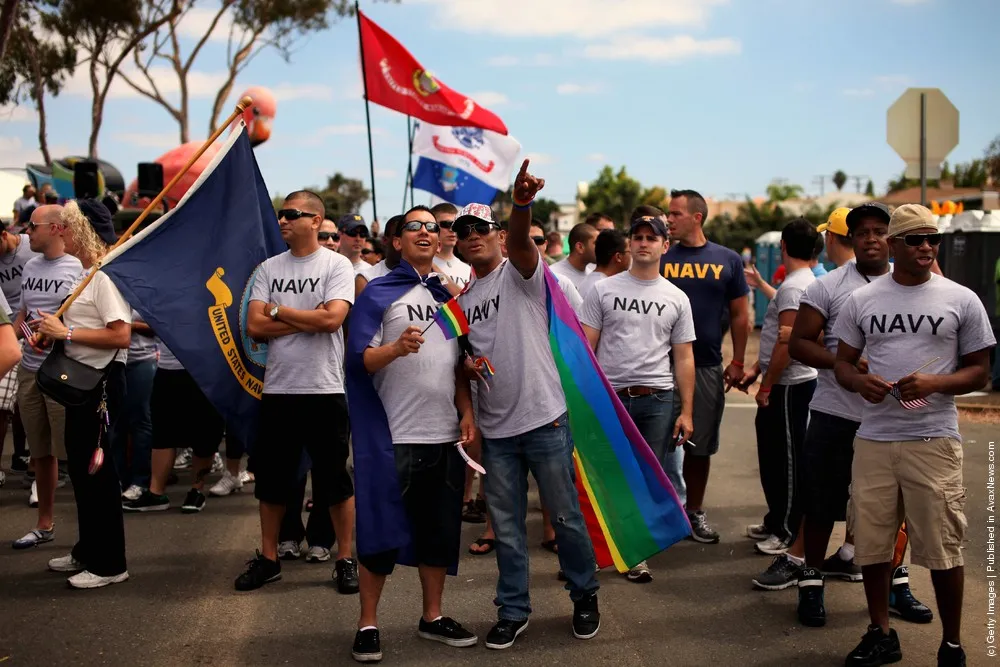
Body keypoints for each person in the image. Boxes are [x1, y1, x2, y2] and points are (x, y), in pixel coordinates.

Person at [834, 204, 994, 667]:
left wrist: (935, 384)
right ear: (893, 245)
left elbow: (981, 370)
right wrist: (857, 381)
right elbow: (843, 362)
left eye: (933, 239)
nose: (927, 247)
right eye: (916, 239)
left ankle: (952, 643)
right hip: (875, 438)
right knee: (873, 546)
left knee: (944, 546)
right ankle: (880, 632)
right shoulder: (863, 301)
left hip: (933, 439)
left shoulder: (960, 298)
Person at [456, 162, 600, 650]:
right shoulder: (462, 298)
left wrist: (520, 205)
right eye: (463, 231)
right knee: (510, 530)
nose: (472, 236)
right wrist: (470, 368)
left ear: (497, 235)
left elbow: (521, 241)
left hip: (544, 420)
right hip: (497, 431)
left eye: (481, 228)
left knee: (564, 519)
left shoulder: (521, 273)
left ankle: (584, 596)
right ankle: (513, 610)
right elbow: (462, 358)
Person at [785, 203, 931, 624]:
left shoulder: (920, 284)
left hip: (894, 420)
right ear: (849, 239)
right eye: (860, 232)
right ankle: (811, 583)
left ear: (892, 238)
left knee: (894, 509)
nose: (869, 238)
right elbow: (799, 345)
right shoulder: (827, 287)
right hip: (836, 413)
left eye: (878, 230)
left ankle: (897, 585)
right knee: (820, 504)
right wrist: (842, 364)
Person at [346, 205, 479, 662]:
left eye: (432, 227)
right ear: (397, 241)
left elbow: (456, 363)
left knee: (439, 533)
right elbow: (358, 360)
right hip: (394, 435)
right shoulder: (378, 293)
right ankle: (368, 623)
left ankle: (432, 617)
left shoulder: (448, 295)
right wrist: (395, 348)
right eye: (414, 227)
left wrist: (465, 409)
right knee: (380, 532)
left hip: (443, 434)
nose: (426, 232)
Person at [235, 191, 358, 595]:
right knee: (273, 480)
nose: (283, 221)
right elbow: (254, 327)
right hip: (280, 389)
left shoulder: (336, 264)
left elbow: (333, 319)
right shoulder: (269, 268)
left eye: (291, 214)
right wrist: (309, 317)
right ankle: (269, 558)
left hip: (324, 388)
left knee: (333, 480)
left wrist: (279, 311)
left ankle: (345, 558)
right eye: (280, 215)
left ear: (315, 220)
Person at [580, 210, 695, 584]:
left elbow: (684, 357)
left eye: (652, 238)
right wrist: (582, 399)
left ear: (665, 245)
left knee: (646, 477)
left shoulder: (676, 297)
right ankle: (604, 550)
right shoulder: (603, 290)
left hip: (657, 399)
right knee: (607, 475)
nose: (644, 243)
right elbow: (586, 347)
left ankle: (636, 554)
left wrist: (687, 411)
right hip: (610, 398)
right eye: (638, 237)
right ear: (629, 244)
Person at [35, 199, 131, 589]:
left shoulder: (105, 277)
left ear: (85, 231)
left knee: (98, 473)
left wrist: (67, 333)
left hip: (102, 385)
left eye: (71, 227)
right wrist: (54, 333)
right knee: (81, 470)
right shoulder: (88, 274)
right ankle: (88, 549)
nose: (65, 234)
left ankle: (110, 564)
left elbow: (120, 333)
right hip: (82, 385)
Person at [661, 189, 750, 543]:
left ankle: (693, 512)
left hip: (707, 366)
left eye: (675, 214)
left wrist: (739, 360)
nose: (669, 219)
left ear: (697, 217)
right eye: (668, 214)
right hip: (657, 366)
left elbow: (742, 315)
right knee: (654, 443)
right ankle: (659, 515)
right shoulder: (660, 256)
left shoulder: (727, 259)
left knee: (700, 445)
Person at [738, 218, 818, 557]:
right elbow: (777, 332)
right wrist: (759, 368)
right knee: (773, 458)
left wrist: (766, 385)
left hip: (789, 387)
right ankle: (776, 520)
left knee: (785, 462)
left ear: (783, 246)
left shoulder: (794, 287)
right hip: (785, 383)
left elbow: (786, 343)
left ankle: (786, 530)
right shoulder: (797, 284)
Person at [11, 205, 83, 549]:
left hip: (61, 371)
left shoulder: (77, 269)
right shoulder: (29, 266)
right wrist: (18, 335)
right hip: (29, 368)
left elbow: (80, 321)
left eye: (34, 226)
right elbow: (24, 311)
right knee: (40, 452)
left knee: (72, 450)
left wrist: (55, 331)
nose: (27, 231)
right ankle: (44, 523)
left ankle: (89, 531)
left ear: (55, 229)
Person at [579, 228, 630, 300]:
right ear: (618, 257)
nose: (632, 256)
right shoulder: (602, 288)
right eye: (630, 251)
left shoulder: (592, 282)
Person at [431, 202, 472, 288]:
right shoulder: (421, 265)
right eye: (446, 224)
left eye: (456, 225)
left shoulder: (468, 270)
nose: (452, 229)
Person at [549, 222, 597, 291]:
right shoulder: (553, 274)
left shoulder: (593, 276)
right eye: (596, 243)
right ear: (580, 247)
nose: (600, 247)